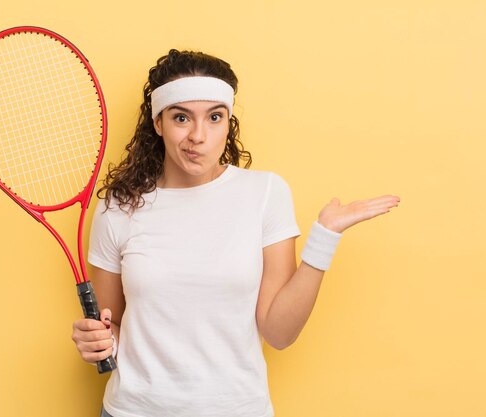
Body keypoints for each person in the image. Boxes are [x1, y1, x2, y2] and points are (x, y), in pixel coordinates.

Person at [72, 49, 400, 417]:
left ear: (229, 121)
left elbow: (279, 333)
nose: (199, 136)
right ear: (158, 123)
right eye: (181, 117)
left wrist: (324, 238)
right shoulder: (119, 206)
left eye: (214, 117)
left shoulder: (265, 194)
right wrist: (98, 342)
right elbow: (111, 323)